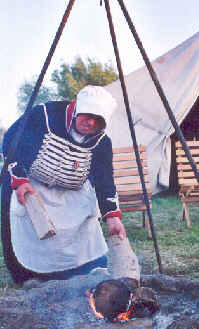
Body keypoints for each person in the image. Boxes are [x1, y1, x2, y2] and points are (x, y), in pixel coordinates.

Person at [1, 85, 126, 284]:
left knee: (87, 219)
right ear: (77, 108)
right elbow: (9, 142)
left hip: (72, 191)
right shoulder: (44, 115)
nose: (90, 122)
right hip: (31, 183)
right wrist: (19, 179)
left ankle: (87, 270)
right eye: (87, 115)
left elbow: (105, 181)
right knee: (18, 213)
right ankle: (28, 277)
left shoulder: (102, 143)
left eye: (98, 120)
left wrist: (112, 217)